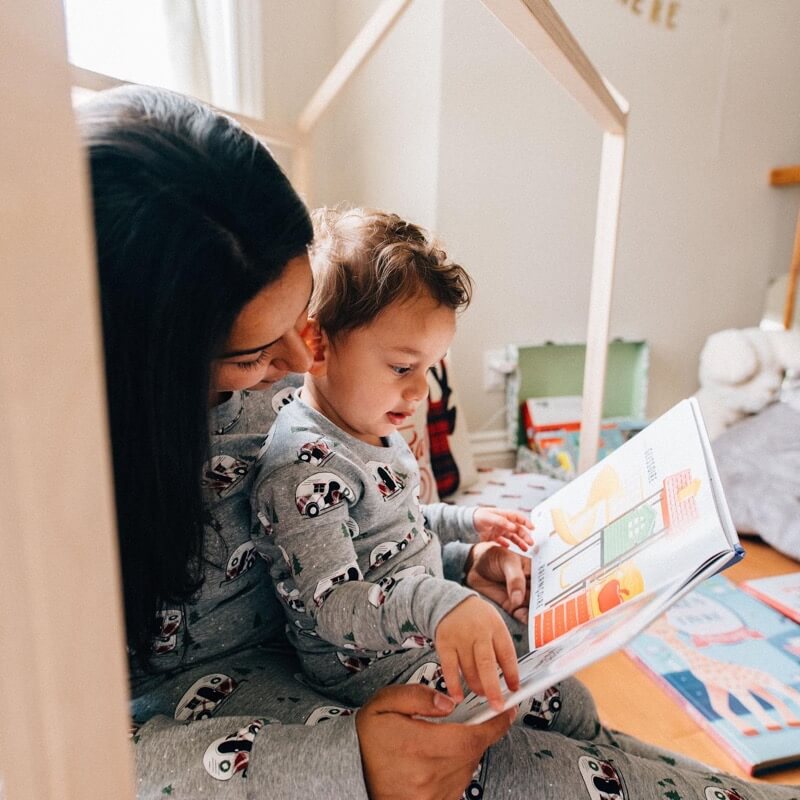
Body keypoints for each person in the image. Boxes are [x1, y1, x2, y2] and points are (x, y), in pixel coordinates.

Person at [81, 84, 800, 800]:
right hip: (264, 722)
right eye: (252, 357)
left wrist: (456, 564)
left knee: (582, 722)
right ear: (137, 367)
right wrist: (343, 762)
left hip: (383, 647)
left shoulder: (330, 404)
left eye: (302, 321)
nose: (302, 369)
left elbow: (379, 528)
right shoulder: (66, 489)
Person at [251, 207, 538, 710]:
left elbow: (395, 525)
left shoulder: (370, 425)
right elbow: (333, 606)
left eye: (430, 367)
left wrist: (466, 523)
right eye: (403, 366)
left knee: (544, 652)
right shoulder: (304, 466)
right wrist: (436, 603)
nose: (420, 389)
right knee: (549, 696)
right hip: (375, 672)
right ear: (317, 345)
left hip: (418, 634)